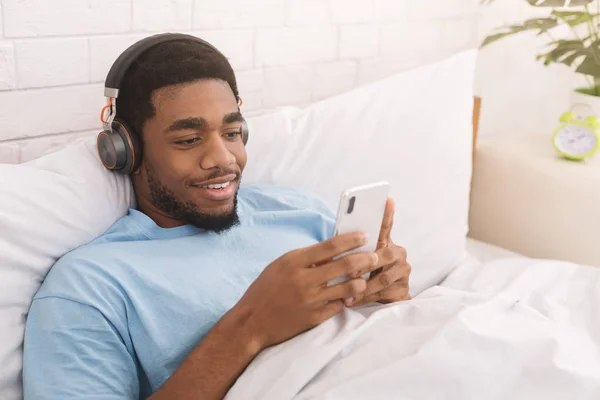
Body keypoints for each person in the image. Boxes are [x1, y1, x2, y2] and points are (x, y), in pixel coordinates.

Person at [22, 34, 412, 400]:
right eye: (188, 140)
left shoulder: (299, 208)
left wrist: (394, 296)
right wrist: (251, 326)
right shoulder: (89, 286)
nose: (224, 159)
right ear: (127, 151)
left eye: (232, 132)